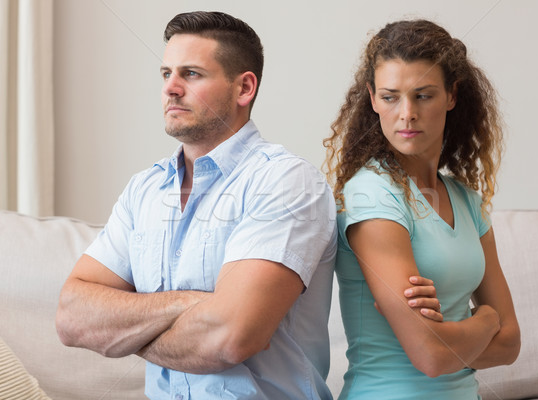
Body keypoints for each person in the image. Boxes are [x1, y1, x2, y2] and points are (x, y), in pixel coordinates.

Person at [55, 11, 340, 399]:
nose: (171, 88)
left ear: (244, 88)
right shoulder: (145, 189)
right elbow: (72, 318)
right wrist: (192, 304)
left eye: (191, 74)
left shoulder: (286, 182)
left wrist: (122, 334)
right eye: (165, 73)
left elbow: (230, 338)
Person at [323, 19, 521, 399]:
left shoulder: (466, 201)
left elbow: (511, 344)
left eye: (423, 95)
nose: (407, 113)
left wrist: (452, 338)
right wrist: (486, 320)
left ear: (451, 96)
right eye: (390, 96)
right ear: (372, 98)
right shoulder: (371, 195)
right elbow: (430, 355)